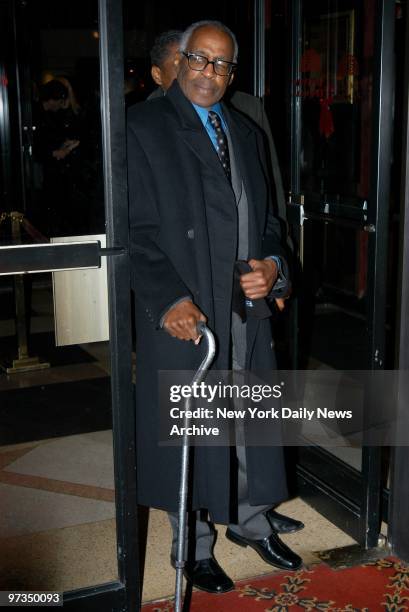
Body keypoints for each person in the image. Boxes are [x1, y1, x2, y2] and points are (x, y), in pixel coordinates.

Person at [127, 20, 302, 594]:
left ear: (232, 72)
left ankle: (251, 523)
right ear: (179, 61)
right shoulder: (142, 126)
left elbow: (270, 219)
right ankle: (193, 546)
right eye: (200, 60)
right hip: (189, 309)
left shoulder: (245, 131)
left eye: (222, 64)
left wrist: (274, 267)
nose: (210, 73)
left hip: (244, 307)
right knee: (196, 428)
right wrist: (168, 299)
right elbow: (133, 230)